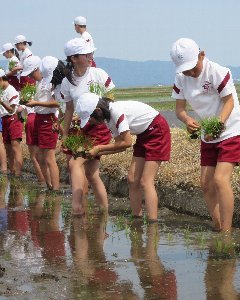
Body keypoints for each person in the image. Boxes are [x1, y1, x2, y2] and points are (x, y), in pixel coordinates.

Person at [170, 38, 240, 232]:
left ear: (201, 55)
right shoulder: (180, 78)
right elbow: (180, 109)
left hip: (230, 130)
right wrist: (187, 121)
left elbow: (229, 102)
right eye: (185, 69)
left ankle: (227, 233)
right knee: (205, 183)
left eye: (192, 67)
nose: (190, 73)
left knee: (220, 180)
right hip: (208, 134)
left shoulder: (217, 72)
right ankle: (218, 225)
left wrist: (219, 124)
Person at [75, 93, 171, 222]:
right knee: (132, 179)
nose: (91, 122)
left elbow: (127, 142)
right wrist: (96, 153)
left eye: (90, 119)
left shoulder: (116, 111)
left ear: (98, 110)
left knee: (146, 181)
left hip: (156, 130)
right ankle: (137, 218)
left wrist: (99, 148)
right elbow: (120, 146)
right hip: (144, 134)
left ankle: (152, 224)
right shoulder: (109, 120)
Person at [60, 38, 114, 215]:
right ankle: (103, 215)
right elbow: (69, 110)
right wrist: (65, 134)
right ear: (74, 58)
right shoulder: (68, 82)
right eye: (87, 53)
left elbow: (111, 101)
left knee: (75, 164)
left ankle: (76, 210)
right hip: (79, 128)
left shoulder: (98, 74)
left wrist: (95, 113)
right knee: (91, 173)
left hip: (98, 127)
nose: (91, 56)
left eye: (91, 53)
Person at [21, 55, 62, 191]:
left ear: (38, 69)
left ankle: (55, 189)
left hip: (48, 119)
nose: (31, 77)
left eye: (32, 73)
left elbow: (58, 103)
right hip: (39, 118)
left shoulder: (51, 82)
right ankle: (48, 184)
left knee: (49, 156)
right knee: (39, 155)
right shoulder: (39, 83)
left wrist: (36, 103)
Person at [0, 69, 23, 176]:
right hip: (4, 119)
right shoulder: (3, 91)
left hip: (13, 118)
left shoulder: (11, 90)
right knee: (8, 147)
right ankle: (12, 170)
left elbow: (11, 110)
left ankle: (18, 173)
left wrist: (1, 102)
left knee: (15, 147)